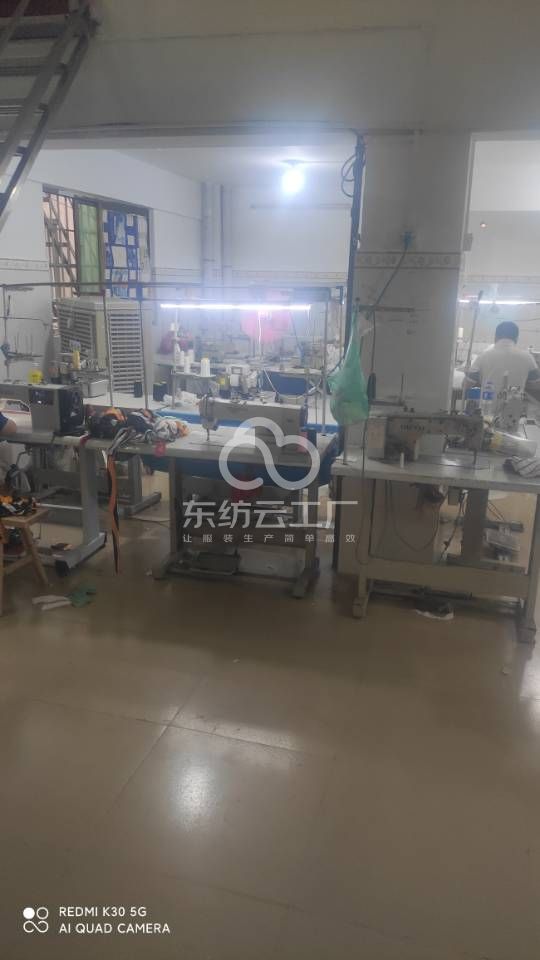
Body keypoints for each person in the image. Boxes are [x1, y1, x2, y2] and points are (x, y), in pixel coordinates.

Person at [464, 320, 540, 401]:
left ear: (495, 337)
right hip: (515, 405)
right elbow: (536, 385)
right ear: (516, 339)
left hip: (487, 406)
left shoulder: (483, 356)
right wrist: (520, 382)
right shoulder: (527, 357)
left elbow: (465, 385)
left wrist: (482, 380)